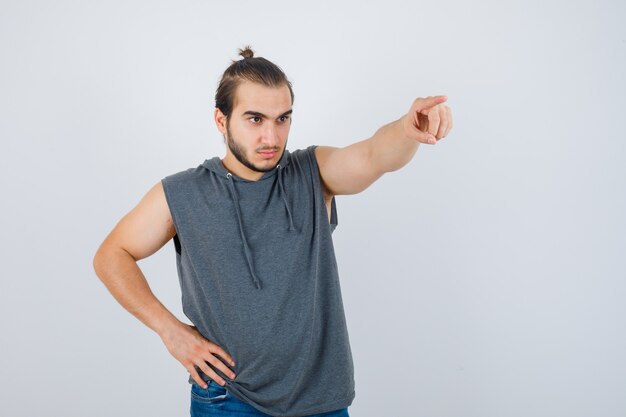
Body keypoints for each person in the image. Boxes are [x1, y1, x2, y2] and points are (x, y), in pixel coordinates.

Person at [92, 45, 453, 417]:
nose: (271, 137)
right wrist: (170, 331)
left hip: (321, 400)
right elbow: (111, 256)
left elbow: (374, 155)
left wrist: (407, 130)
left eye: (282, 119)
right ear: (221, 120)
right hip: (228, 398)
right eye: (255, 119)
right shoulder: (182, 193)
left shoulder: (313, 173)